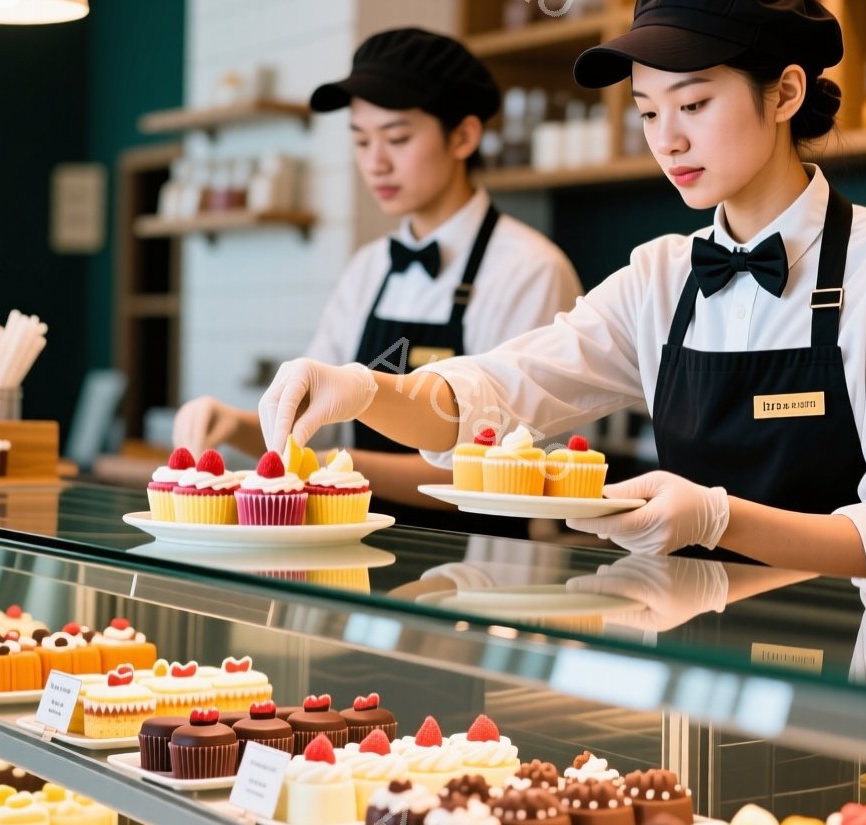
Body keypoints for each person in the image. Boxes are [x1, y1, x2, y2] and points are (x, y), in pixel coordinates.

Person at [254, 0, 866, 583]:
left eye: (692, 103)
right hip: (701, 653)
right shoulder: (659, 277)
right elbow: (497, 394)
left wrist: (718, 519)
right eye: (648, 112)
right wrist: (363, 388)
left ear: (785, 93)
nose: (669, 139)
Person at [172, 27, 582, 531]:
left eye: (398, 138)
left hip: (476, 569)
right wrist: (236, 424)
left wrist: (343, 468)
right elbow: (315, 428)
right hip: (356, 567)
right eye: (362, 141)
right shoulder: (369, 267)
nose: (375, 163)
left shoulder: (529, 270)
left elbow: (505, 476)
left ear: (464, 136)